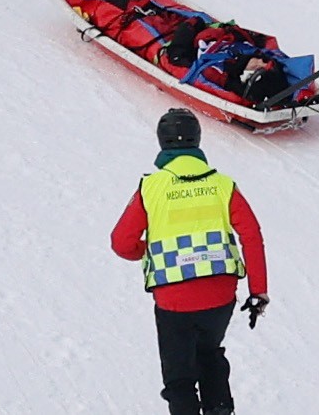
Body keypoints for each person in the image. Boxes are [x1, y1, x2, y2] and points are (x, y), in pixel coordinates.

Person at [111, 107, 268, 415]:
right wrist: (258, 290)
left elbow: (121, 243)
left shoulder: (151, 188)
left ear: (162, 143)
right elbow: (252, 235)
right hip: (220, 296)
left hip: (174, 300)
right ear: (197, 140)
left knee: (180, 378)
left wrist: (147, 250)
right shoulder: (223, 185)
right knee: (209, 355)